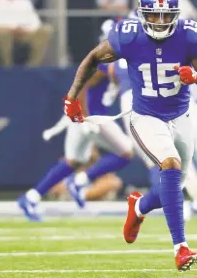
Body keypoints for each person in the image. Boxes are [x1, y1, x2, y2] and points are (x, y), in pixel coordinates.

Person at [63, 0, 197, 272]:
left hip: (181, 117)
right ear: (142, 14)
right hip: (146, 116)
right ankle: (181, 248)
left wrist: (196, 75)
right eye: (154, 15)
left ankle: (137, 208)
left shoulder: (189, 36)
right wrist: (72, 97)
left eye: (166, 16)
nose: (160, 22)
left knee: (170, 190)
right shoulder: (128, 36)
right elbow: (93, 58)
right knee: (170, 166)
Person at [17, 19, 134, 222]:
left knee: (73, 161)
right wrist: (85, 117)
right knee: (126, 152)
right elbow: (83, 85)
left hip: (83, 116)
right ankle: (80, 181)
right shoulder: (106, 59)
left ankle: (31, 197)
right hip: (92, 116)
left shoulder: (114, 59)